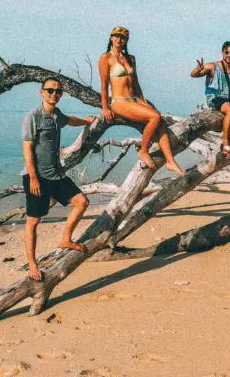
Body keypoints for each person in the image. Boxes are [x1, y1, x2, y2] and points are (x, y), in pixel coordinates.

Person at [22, 77, 96, 281]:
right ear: (41, 92)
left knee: (82, 202)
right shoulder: (33, 117)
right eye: (50, 90)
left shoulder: (56, 115)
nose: (54, 94)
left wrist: (87, 121)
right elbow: (27, 148)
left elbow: (70, 120)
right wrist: (34, 179)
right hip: (36, 176)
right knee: (34, 220)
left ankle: (66, 240)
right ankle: (32, 264)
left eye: (58, 91)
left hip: (56, 174)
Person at [98, 26, 185, 175]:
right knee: (154, 117)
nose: (119, 39)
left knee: (161, 122)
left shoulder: (131, 59)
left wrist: (143, 101)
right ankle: (143, 151)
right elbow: (104, 85)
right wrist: (105, 108)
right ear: (111, 38)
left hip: (134, 99)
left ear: (126, 41)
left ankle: (170, 161)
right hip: (119, 101)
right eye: (116, 36)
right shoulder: (105, 58)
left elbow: (136, 83)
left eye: (123, 37)